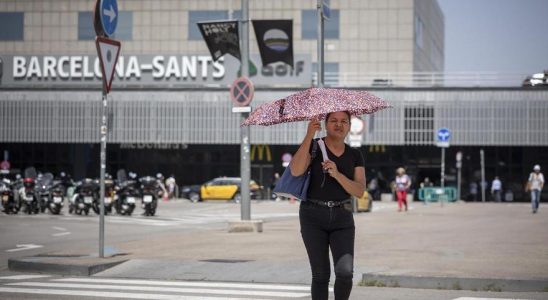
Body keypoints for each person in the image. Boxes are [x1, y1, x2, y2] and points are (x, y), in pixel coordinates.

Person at [289, 111, 366, 300]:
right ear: (325, 124)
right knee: (321, 275)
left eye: (344, 121)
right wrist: (309, 135)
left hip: (343, 216)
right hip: (312, 216)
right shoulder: (314, 147)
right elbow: (296, 170)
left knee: (345, 273)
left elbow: (359, 190)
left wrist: (338, 174)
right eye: (334, 121)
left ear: (349, 125)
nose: (339, 125)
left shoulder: (355, 154)